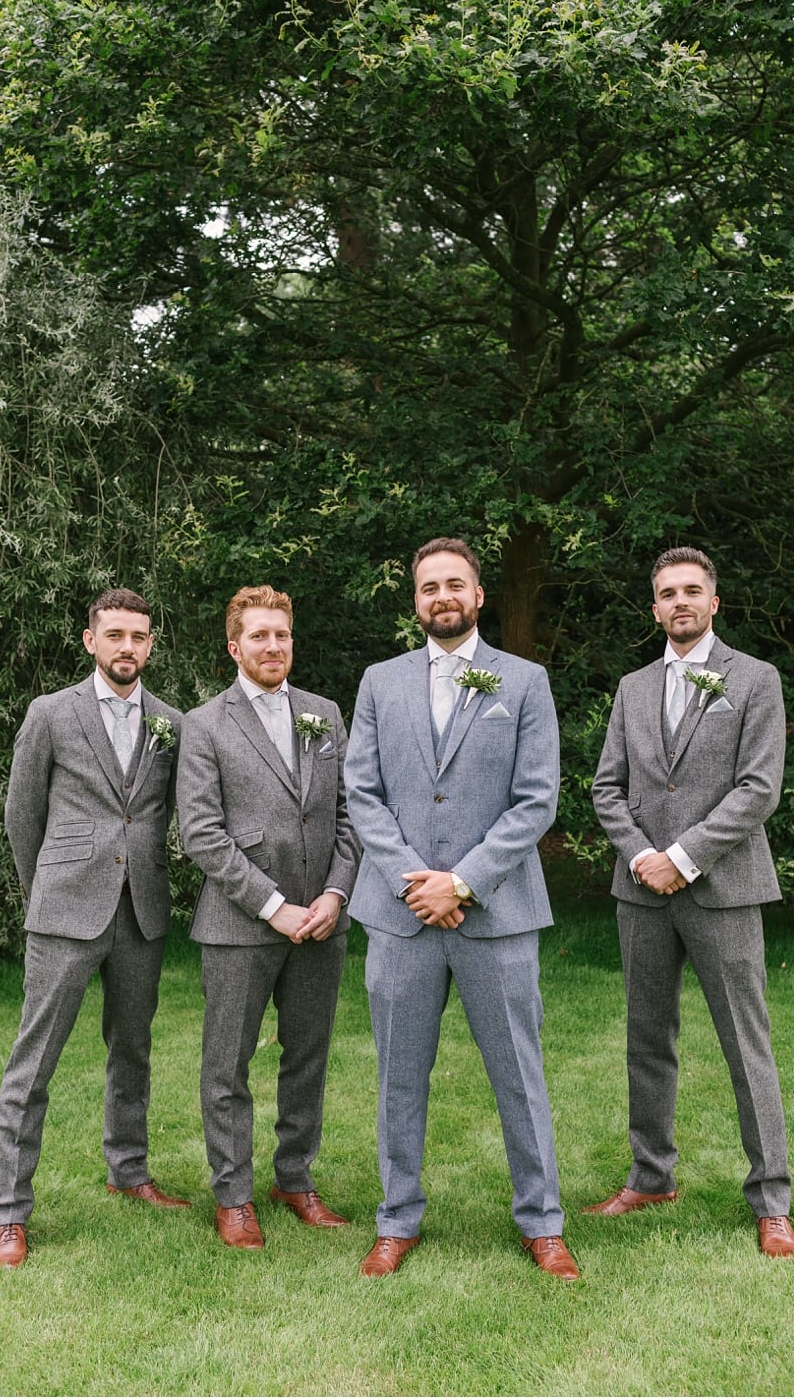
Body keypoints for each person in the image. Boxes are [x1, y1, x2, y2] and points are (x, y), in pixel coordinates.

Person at [344, 537, 578, 1280]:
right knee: (398, 1076)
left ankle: (542, 1222)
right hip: (401, 915)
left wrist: (464, 881)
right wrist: (419, 880)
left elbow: (537, 798)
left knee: (519, 1073)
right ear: (415, 601)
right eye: (428, 587)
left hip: (498, 915)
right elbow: (363, 793)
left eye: (455, 584)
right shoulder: (380, 683)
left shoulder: (525, 682)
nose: (441, 596)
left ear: (478, 596)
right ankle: (396, 1218)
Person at [586, 547, 794, 1258]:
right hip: (640, 893)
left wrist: (683, 857)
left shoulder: (756, 680)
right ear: (654, 609)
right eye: (667, 593)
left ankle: (771, 1197)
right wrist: (643, 855)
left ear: (714, 602)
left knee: (746, 1042)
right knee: (648, 1038)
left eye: (692, 591)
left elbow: (758, 788)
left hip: (724, 889)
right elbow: (605, 787)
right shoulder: (633, 686)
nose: (680, 602)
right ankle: (651, 1176)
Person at [0, 588, 187, 1268]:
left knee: (131, 1049)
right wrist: (44, 888)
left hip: (143, 911)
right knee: (33, 1061)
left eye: (139, 635)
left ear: (151, 644)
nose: (127, 646)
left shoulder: (171, 722)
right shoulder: (51, 714)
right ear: (90, 641)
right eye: (115, 635)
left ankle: (129, 1171)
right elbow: (22, 815)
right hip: (65, 910)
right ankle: (8, 1215)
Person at [177, 585, 359, 1250]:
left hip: (322, 920)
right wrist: (274, 906)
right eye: (259, 636)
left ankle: (295, 1177)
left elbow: (348, 816)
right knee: (227, 1064)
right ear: (235, 646)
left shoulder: (324, 715)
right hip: (239, 924)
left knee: (307, 1057)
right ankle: (233, 1195)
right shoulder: (204, 724)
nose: (273, 646)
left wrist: (336, 896)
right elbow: (201, 833)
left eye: (281, 635)